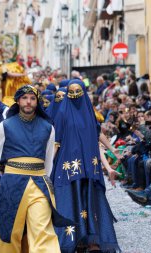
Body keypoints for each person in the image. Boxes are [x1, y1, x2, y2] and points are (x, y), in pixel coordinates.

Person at [0, 85, 72, 252]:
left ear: (37, 102)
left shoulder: (48, 127)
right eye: (25, 98)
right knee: (7, 231)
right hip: (11, 184)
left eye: (32, 98)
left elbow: (48, 159)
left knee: (42, 231)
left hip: (39, 184)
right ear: (18, 101)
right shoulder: (5, 126)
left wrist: (45, 180)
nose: (28, 102)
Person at [52, 79, 120, 252]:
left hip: (90, 166)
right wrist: (48, 167)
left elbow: (96, 141)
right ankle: (74, 240)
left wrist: (109, 165)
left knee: (89, 199)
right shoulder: (62, 114)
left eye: (78, 92)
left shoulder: (89, 113)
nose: (75, 96)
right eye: (71, 92)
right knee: (70, 200)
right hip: (68, 166)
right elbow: (56, 143)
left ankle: (91, 239)